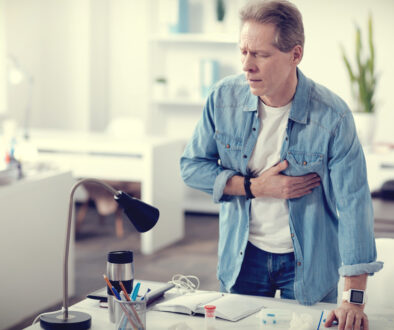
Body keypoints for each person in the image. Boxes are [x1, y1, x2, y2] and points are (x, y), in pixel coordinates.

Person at [180, 1, 383, 329]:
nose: (247, 65)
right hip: (242, 256)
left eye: (260, 54)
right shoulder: (222, 99)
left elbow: (355, 205)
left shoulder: (333, 117)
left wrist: (354, 299)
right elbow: (191, 166)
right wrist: (253, 187)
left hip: (309, 263)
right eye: (243, 51)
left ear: (295, 55)